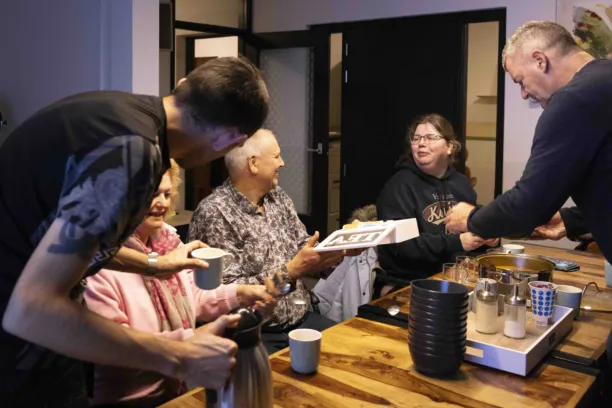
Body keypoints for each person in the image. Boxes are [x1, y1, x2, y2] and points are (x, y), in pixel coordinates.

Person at [0, 57, 269, 407]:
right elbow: (31, 309)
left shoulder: (122, 114)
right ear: (231, 139)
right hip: (19, 348)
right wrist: (178, 356)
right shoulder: (135, 156)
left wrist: (153, 265)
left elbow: (71, 245)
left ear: (184, 85)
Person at [84, 161, 276, 407]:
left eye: (166, 194)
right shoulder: (101, 265)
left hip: (177, 388)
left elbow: (192, 298)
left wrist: (240, 293)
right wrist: (193, 338)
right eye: (152, 194)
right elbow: (115, 355)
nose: (162, 203)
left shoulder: (165, 241)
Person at [444, 21, 612, 264]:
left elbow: (529, 205)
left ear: (540, 60)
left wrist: (472, 218)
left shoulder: (572, 100)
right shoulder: (604, 78)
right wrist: (572, 220)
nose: (523, 93)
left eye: (520, 81)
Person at [188, 129, 347, 354]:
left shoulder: (277, 197)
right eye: (276, 157)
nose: (282, 163)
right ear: (253, 163)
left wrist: (340, 250)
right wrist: (290, 271)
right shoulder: (214, 213)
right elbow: (227, 292)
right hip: (255, 334)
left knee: (351, 351)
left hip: (303, 318)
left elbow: (303, 246)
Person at [375, 114, 498, 296]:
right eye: (416, 138)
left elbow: (470, 230)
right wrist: (458, 242)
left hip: (456, 277)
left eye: (431, 137)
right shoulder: (398, 186)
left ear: (449, 146)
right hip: (409, 283)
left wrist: (487, 238)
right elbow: (402, 246)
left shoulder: (462, 184)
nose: (421, 143)